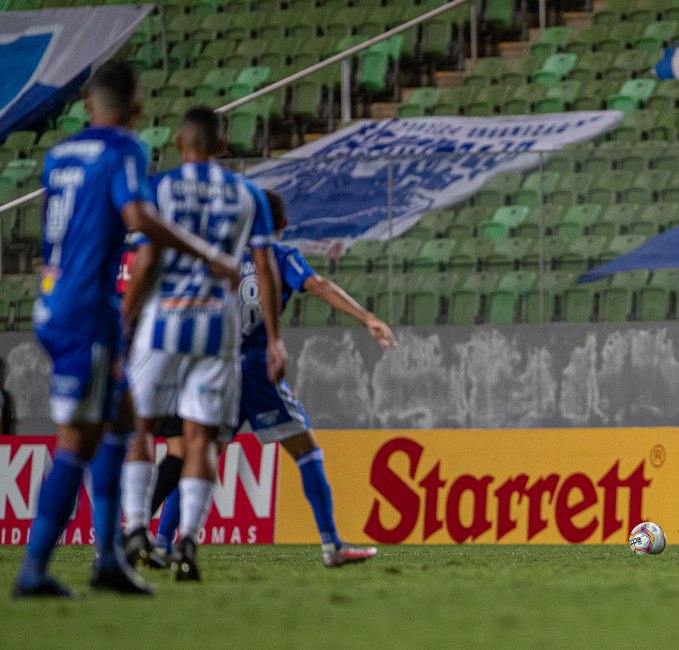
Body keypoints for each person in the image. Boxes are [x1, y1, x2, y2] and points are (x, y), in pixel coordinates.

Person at [12, 62, 240, 599]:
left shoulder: (57, 155)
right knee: (76, 443)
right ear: (138, 110)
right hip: (88, 311)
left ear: (87, 107)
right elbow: (137, 218)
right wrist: (206, 252)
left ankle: (111, 556)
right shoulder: (126, 150)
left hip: (55, 300)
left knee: (122, 423)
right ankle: (34, 570)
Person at [146, 189, 396, 569]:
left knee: (199, 458)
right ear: (283, 225)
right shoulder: (279, 257)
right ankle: (332, 545)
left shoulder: (219, 257)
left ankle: (163, 544)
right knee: (307, 450)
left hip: (213, 371)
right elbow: (317, 285)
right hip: (258, 372)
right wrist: (368, 318)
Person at [120, 106, 286, 582]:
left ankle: (134, 527)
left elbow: (147, 259)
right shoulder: (248, 194)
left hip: (164, 320)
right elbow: (266, 269)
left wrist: (125, 318)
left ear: (178, 142)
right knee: (200, 438)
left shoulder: (160, 188)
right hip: (218, 326)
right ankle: (188, 540)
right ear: (222, 144)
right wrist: (274, 337)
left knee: (141, 428)